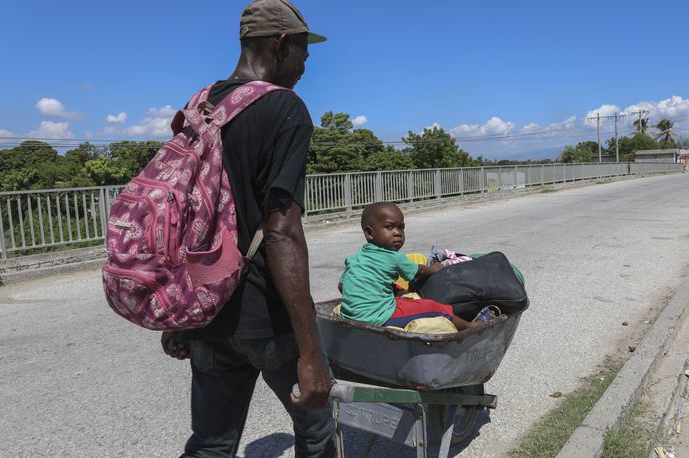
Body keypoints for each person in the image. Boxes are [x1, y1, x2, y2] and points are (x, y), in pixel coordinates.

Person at [160, 1, 335, 456]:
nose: (305, 63)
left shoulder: (201, 105)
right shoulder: (285, 108)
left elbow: (179, 213)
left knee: (211, 443)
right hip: (266, 317)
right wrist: (311, 351)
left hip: (206, 307)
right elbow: (281, 230)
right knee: (317, 429)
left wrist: (178, 312)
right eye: (302, 51)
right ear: (279, 46)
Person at [338, 202, 484, 331]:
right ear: (369, 233)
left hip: (350, 316)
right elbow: (418, 271)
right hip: (379, 318)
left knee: (397, 291)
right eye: (390, 227)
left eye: (401, 228)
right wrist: (434, 269)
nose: (398, 233)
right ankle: (471, 326)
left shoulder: (355, 258)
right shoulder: (393, 257)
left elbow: (341, 286)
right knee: (432, 307)